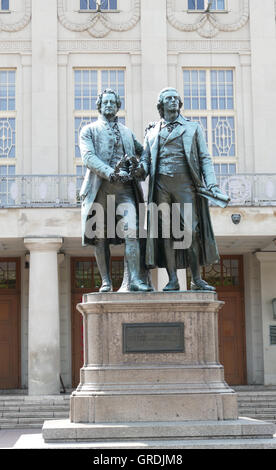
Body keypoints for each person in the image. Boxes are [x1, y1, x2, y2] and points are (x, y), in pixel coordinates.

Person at [131, 87, 229, 291]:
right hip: (161, 187)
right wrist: (137, 169)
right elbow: (146, 161)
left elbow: (205, 158)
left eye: (176, 98)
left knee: (191, 231)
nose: (174, 101)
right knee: (166, 233)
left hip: (186, 185)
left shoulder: (193, 128)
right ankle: (173, 279)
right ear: (161, 105)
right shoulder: (152, 131)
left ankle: (196, 278)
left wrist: (212, 184)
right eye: (169, 98)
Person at [79, 88, 151, 292]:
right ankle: (106, 281)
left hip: (125, 190)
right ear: (99, 106)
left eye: (113, 102)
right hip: (99, 189)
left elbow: (144, 152)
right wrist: (111, 173)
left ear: (118, 106)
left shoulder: (127, 132)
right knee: (100, 237)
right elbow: (88, 158)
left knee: (132, 231)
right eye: (105, 102)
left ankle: (135, 280)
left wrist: (142, 167)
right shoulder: (89, 130)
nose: (109, 105)